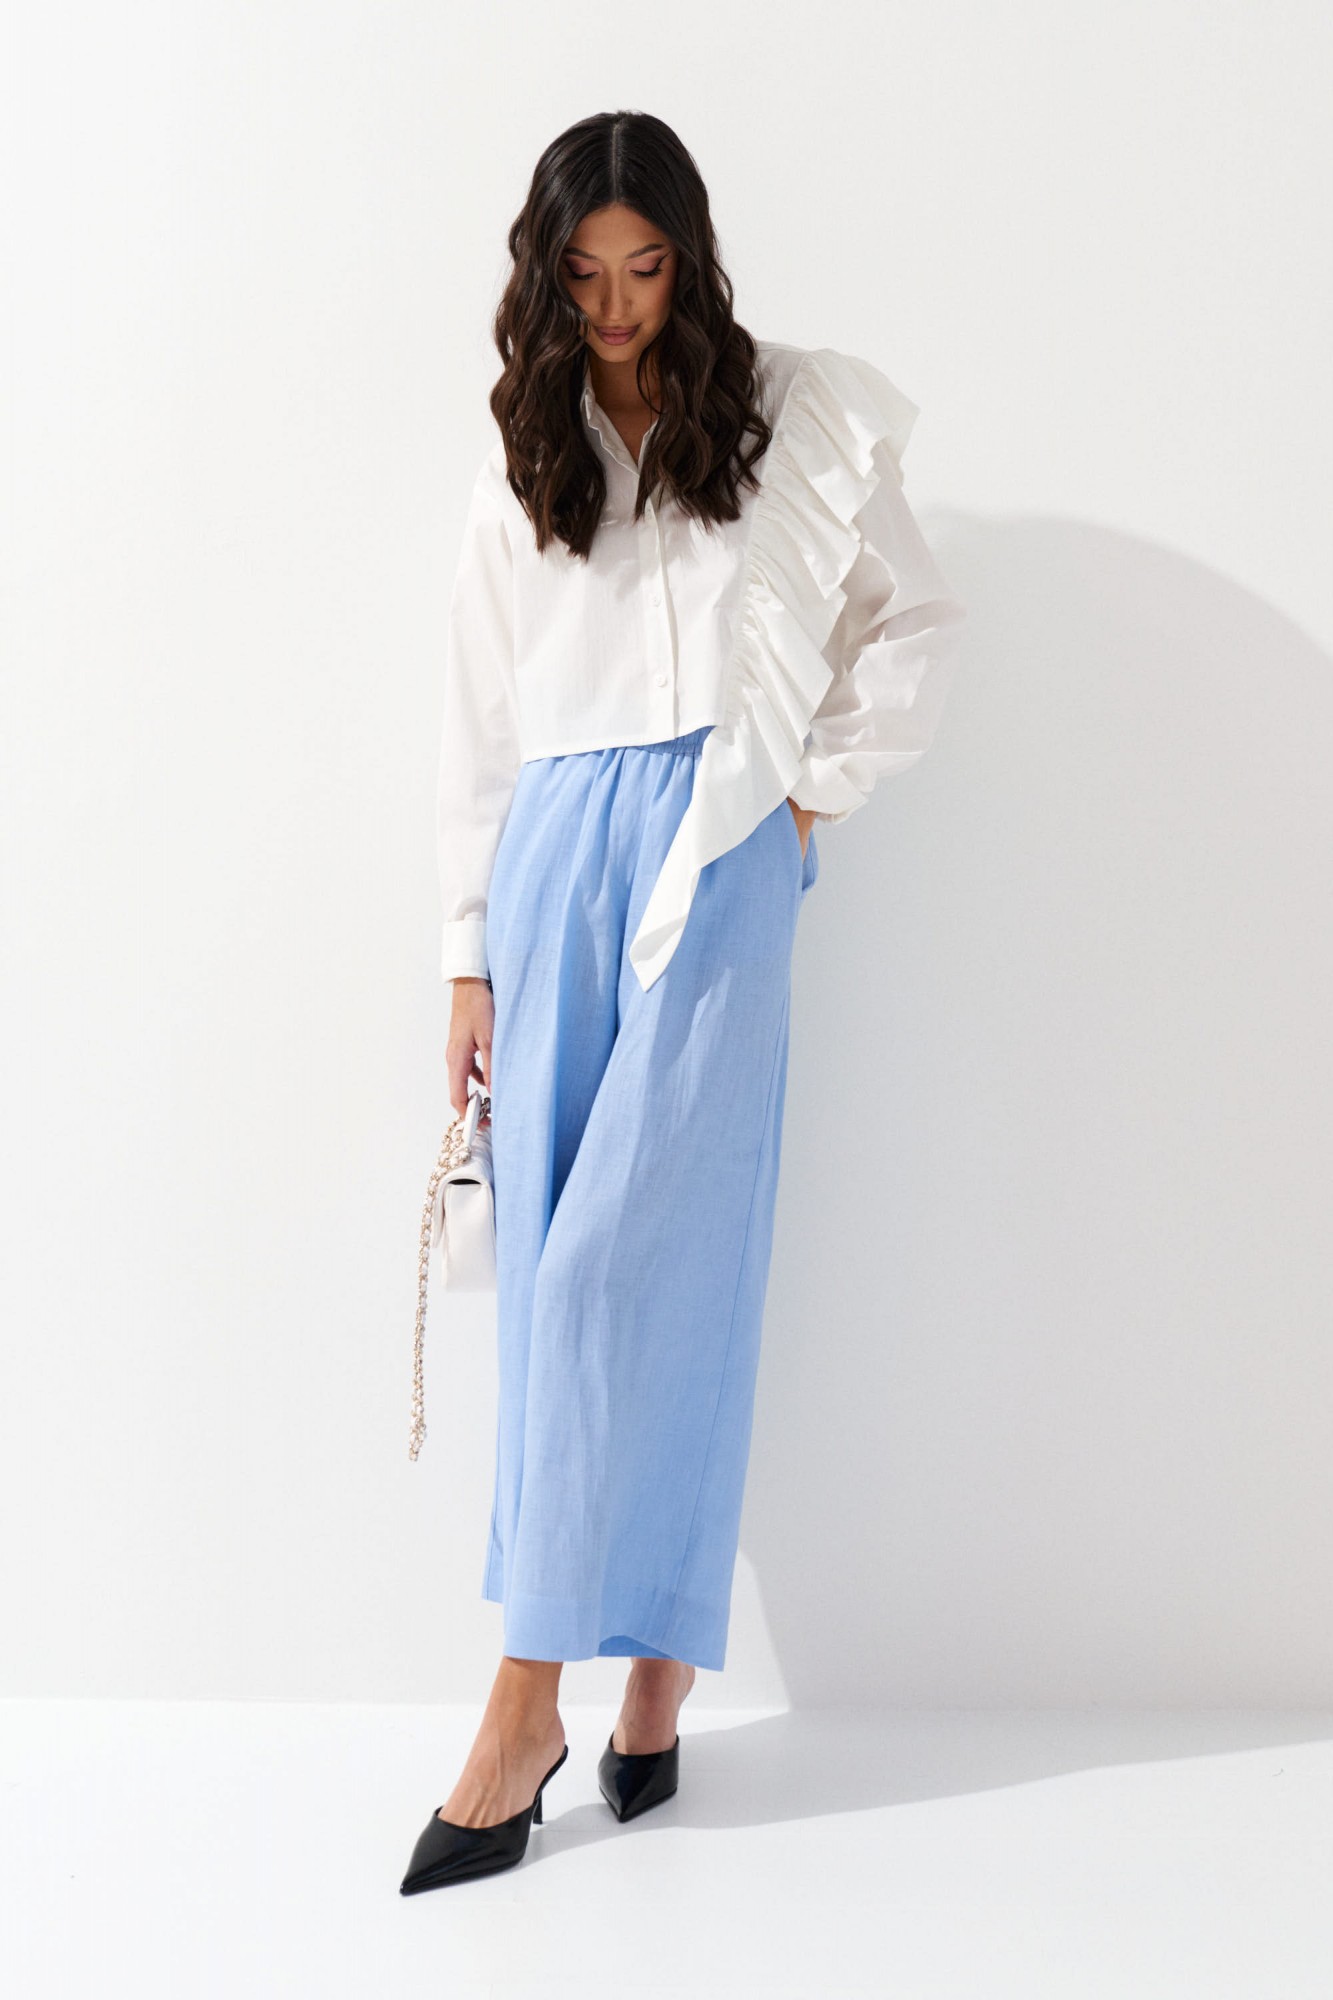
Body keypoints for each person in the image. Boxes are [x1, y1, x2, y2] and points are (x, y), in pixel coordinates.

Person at [401, 108, 967, 1895]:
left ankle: (522, 1706)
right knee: (559, 1286)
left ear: (689, 260)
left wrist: (800, 808)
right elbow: (478, 719)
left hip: (717, 857)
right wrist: (467, 951)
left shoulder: (786, 414)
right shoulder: (524, 450)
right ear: (544, 275)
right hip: (555, 859)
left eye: (645, 269)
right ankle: (650, 1674)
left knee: (643, 1276)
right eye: (584, 274)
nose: (617, 305)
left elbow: (913, 622)